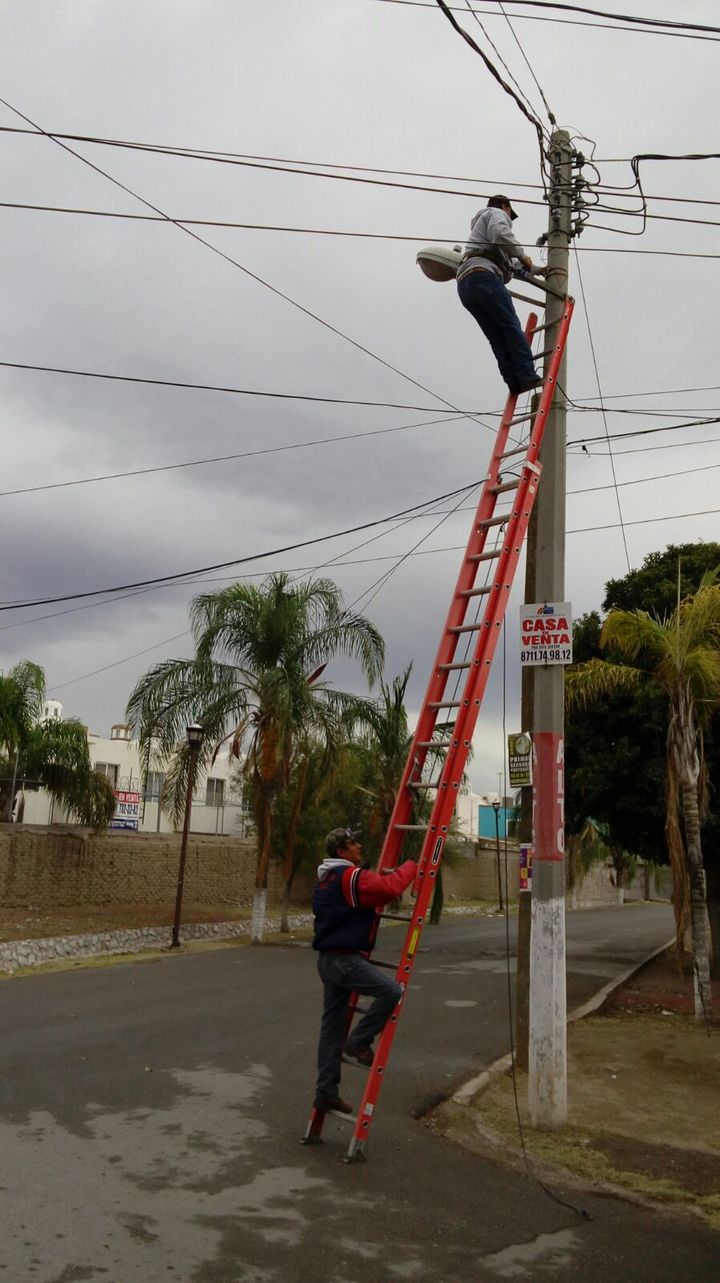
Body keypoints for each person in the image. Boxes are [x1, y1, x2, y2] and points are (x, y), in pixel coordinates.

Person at [312, 826, 417, 1115]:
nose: (359, 845)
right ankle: (359, 1041)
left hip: (327, 960)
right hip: (346, 960)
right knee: (391, 991)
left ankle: (326, 1092)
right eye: (352, 843)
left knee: (331, 1029)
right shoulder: (350, 877)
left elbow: (371, 890)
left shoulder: (326, 879)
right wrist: (412, 866)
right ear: (341, 852)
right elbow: (389, 889)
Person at [457, 194, 547, 397]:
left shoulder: (481, 239)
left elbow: (512, 266)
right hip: (483, 277)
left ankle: (515, 382)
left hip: (466, 285)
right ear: (505, 207)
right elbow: (501, 234)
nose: (509, 218)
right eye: (509, 213)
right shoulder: (495, 213)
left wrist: (537, 270)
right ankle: (526, 374)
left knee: (497, 335)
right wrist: (522, 253)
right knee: (509, 325)